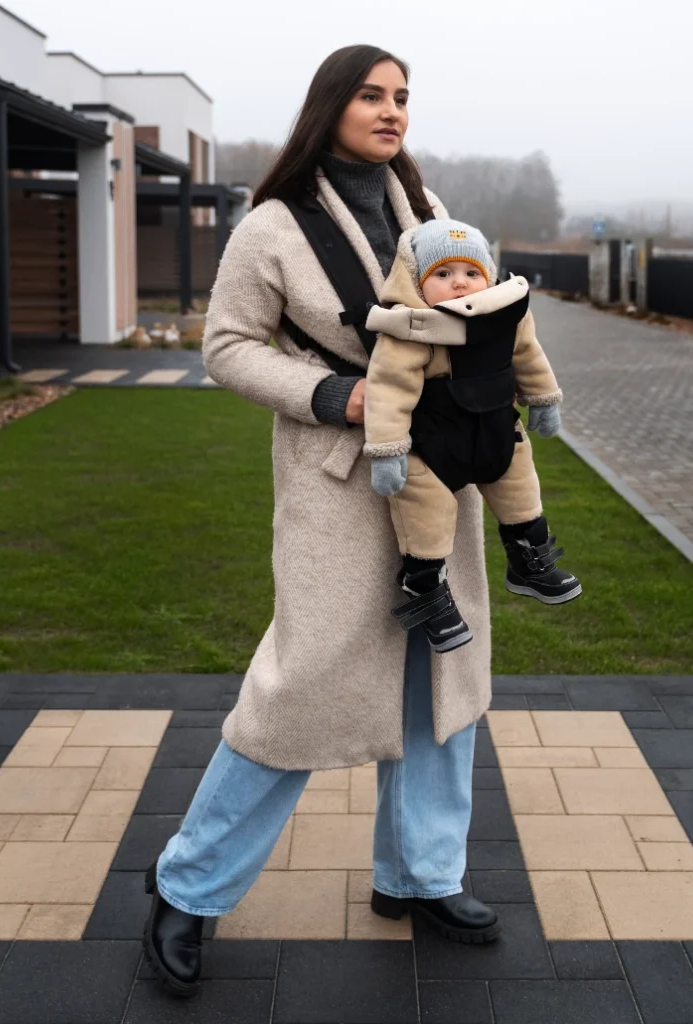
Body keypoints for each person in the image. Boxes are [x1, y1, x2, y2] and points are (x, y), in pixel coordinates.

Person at [142, 45, 501, 999]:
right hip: (336, 485)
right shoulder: (271, 226)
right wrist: (335, 395)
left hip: (438, 476)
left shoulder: (428, 216)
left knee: (440, 677)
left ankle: (421, 878)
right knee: (296, 687)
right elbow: (224, 348)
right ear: (330, 106)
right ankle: (187, 886)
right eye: (372, 96)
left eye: (402, 98)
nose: (391, 112)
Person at [362, 218, 582, 653]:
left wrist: (543, 399)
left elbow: (528, 356)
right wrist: (388, 450)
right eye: (442, 275)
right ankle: (425, 586)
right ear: (417, 282)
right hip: (432, 442)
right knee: (426, 509)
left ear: (490, 277)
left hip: (498, 429)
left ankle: (528, 560)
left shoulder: (508, 316)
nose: (459, 285)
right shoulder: (410, 328)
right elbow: (388, 389)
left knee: (519, 485)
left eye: (471, 273)